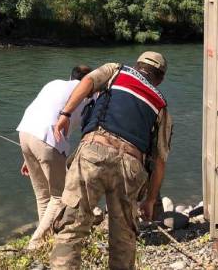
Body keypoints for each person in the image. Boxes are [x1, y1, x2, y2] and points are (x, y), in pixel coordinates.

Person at [49, 51, 173, 270]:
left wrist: (65, 114)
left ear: (137, 65)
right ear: (161, 78)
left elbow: (88, 81)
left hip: (94, 152)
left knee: (71, 229)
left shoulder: (116, 71)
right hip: (131, 167)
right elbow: (160, 160)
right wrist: (151, 200)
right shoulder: (161, 106)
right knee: (123, 240)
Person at [16, 65, 93, 249]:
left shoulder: (54, 83)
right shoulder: (88, 95)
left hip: (25, 134)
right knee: (60, 196)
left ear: (70, 76)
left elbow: (43, 110)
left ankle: (45, 238)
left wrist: (29, 157)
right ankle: (35, 243)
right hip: (48, 139)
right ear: (89, 81)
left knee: (43, 197)